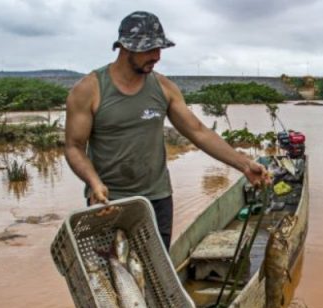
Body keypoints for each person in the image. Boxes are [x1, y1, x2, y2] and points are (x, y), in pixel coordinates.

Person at [65, 11, 271, 252]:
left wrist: (245, 165)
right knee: (113, 275)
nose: (157, 56)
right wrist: (93, 183)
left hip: (158, 198)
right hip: (110, 200)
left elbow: (199, 131)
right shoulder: (89, 90)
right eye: (149, 49)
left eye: (159, 48)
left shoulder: (163, 88)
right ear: (124, 47)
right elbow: (74, 147)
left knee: (155, 273)